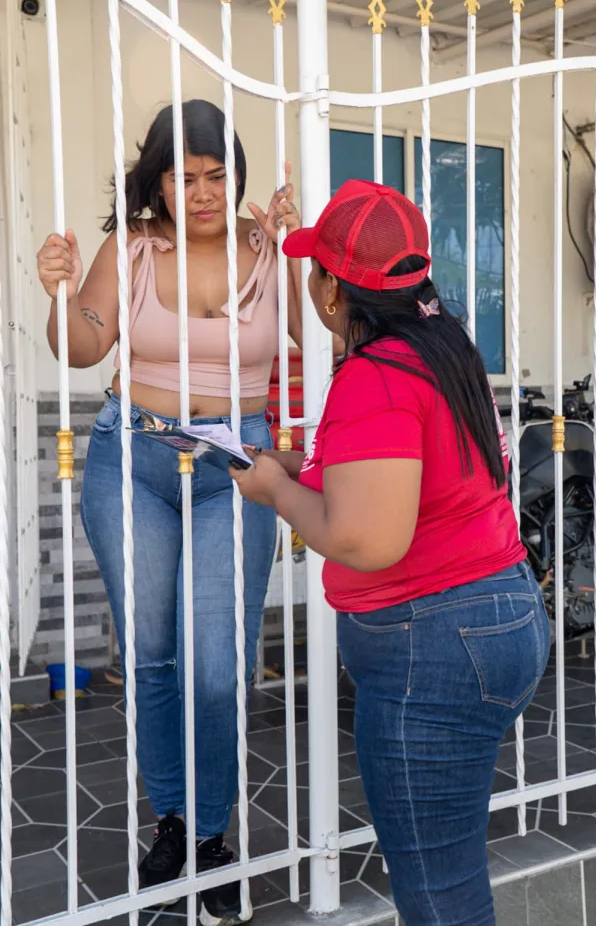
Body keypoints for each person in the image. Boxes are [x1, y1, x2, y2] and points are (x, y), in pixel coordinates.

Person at [230, 179, 551, 926]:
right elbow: (405, 475)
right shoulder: (442, 345)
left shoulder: (376, 374)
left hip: (432, 648)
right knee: (454, 864)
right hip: (495, 613)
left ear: (335, 290)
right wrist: (292, 466)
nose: (308, 282)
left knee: (439, 894)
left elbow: (365, 536)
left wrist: (276, 494)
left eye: (313, 270)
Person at [36, 99, 302, 926]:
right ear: (157, 180)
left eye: (217, 175)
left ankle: (215, 835)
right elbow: (82, 345)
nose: (202, 192)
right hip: (134, 459)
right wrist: (60, 290)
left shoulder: (264, 248)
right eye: (184, 177)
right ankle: (174, 820)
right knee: (152, 655)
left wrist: (297, 249)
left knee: (215, 661)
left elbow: (307, 333)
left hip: (236, 467)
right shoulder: (134, 248)